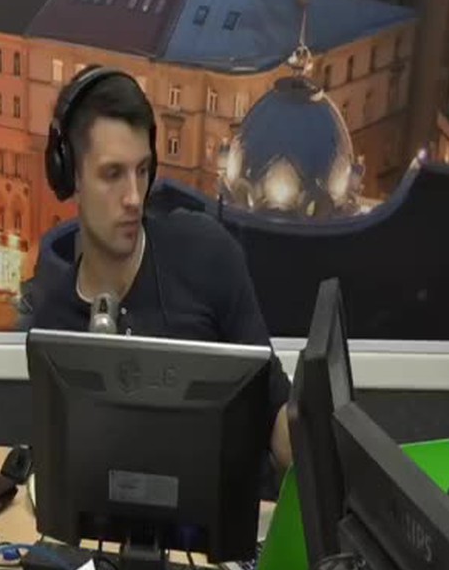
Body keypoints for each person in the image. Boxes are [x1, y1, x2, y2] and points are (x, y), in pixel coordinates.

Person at [28, 65, 293, 473]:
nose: (134, 197)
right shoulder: (55, 324)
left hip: (232, 511)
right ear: (71, 177)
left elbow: (275, 411)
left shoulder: (205, 254)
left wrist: (315, 442)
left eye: (142, 170)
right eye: (113, 174)